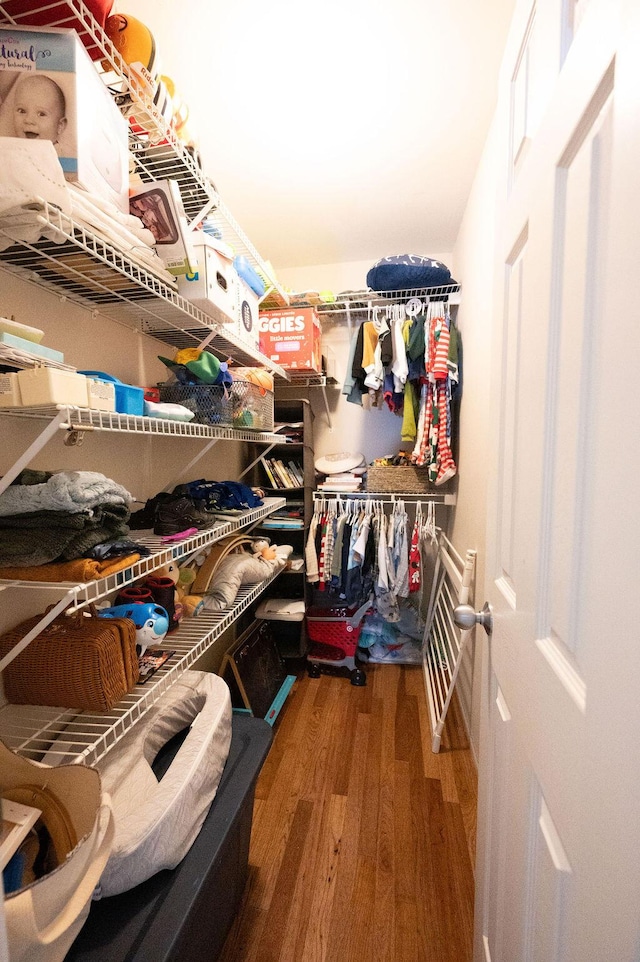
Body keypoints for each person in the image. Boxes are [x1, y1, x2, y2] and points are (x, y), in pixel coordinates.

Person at [12, 74, 67, 144]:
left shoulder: (59, 153)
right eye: (22, 111)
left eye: (41, 114)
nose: (29, 120)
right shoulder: (9, 150)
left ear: (60, 126)